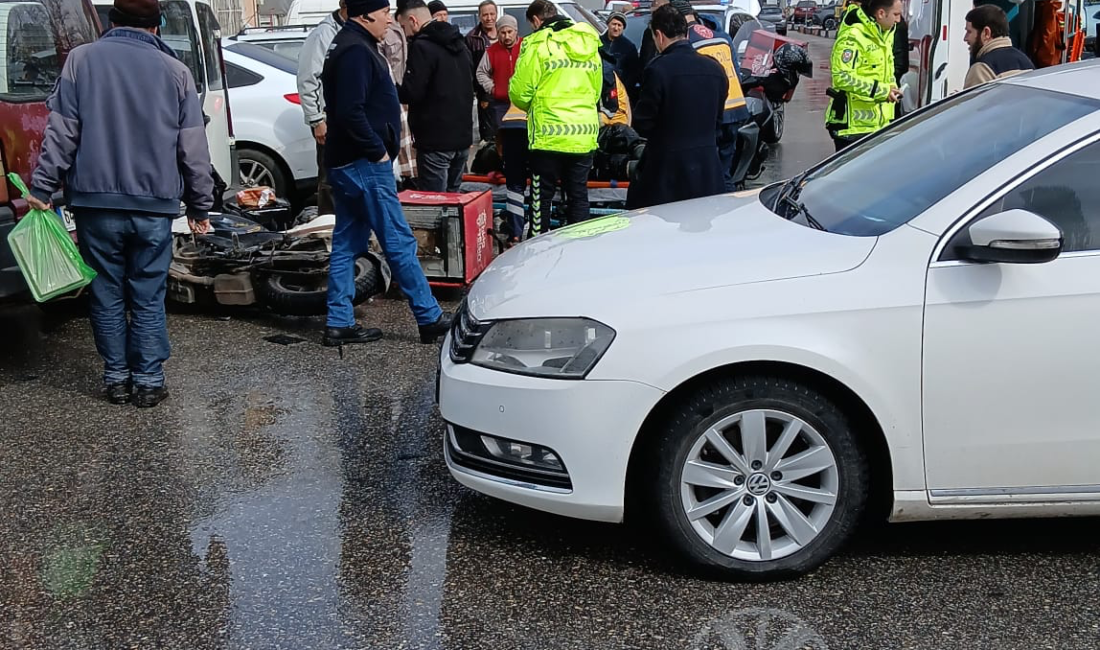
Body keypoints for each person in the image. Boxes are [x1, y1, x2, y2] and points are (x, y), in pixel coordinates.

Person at [27, 0, 213, 407]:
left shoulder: (81, 61)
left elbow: (61, 134)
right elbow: (194, 151)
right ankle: (148, 381)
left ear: (112, 22)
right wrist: (200, 206)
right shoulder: (176, 73)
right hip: (154, 208)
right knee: (147, 293)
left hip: (95, 206)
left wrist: (41, 188)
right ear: (158, 26)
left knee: (107, 291)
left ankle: (115, 378)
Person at [321, 0, 451, 346]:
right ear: (365, 15)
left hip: (348, 162)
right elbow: (350, 111)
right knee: (397, 240)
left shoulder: (352, 44)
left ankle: (339, 322)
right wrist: (377, 150)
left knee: (347, 242)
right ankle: (430, 317)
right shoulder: (355, 51)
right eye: (384, 15)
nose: (389, 21)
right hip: (363, 164)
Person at [510, 0, 602, 234]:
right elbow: (596, 91)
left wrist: (537, 104)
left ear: (536, 21)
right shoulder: (588, 43)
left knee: (542, 198)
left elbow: (520, 93)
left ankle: (539, 249)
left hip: (548, 137)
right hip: (583, 135)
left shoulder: (538, 44)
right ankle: (579, 245)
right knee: (578, 194)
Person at [626, 5, 726, 210]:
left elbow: (644, 123)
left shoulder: (658, 69)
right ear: (686, 33)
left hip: (665, 175)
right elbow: (718, 120)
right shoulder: (714, 68)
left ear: (659, 36)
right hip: (708, 172)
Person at [397, 0, 474, 192]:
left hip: (435, 139)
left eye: (403, 26)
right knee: (454, 199)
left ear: (413, 20)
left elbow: (412, 92)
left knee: (435, 203)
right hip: (462, 137)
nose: (404, 33)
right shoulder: (461, 43)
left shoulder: (422, 46)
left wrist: (389, 86)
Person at [674, 0, 748, 192]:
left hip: (712, 114)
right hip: (736, 110)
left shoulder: (686, 43)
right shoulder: (721, 37)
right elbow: (736, 74)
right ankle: (727, 213)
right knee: (724, 173)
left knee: (707, 177)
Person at [825, 0, 903, 151]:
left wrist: (891, 87)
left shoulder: (884, 34)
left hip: (877, 126)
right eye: (896, 14)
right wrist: (882, 91)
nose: (898, 20)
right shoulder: (853, 36)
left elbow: (885, 72)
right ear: (881, 13)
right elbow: (841, 77)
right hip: (852, 129)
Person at [297, 0, 347, 215]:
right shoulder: (324, 34)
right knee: (330, 177)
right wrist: (317, 120)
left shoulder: (354, 31)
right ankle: (330, 230)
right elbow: (308, 78)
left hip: (348, 116)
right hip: (328, 118)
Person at [380, 16, 417, 186]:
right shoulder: (381, 32)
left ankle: (409, 177)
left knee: (408, 145)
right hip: (391, 96)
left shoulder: (404, 29)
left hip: (407, 95)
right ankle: (402, 178)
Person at [963, 5, 1034, 88]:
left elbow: (975, 101)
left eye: (969, 32)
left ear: (986, 33)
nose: (965, 38)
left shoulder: (982, 69)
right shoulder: (1026, 62)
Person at [476, 14, 522, 135]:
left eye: (509, 32)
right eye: (503, 33)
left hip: (524, 103)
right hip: (501, 103)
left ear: (516, 31)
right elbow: (481, 72)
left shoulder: (526, 47)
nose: (507, 36)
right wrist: (492, 88)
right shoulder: (492, 51)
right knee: (503, 137)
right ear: (498, 33)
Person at [466, 0, 499, 142]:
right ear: (479, 16)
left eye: (492, 14)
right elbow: (469, 67)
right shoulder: (472, 38)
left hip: (509, 90)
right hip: (485, 92)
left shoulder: (505, 32)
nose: (489, 18)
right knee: (490, 136)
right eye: (485, 15)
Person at [601, 11, 640, 98]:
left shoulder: (629, 47)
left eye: (619, 25)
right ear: (608, 24)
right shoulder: (598, 42)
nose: (616, 28)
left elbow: (633, 73)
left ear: (623, 28)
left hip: (619, 93)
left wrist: (622, 90)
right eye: (614, 24)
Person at [1030, 0, 1065, 68]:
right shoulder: (1052, 8)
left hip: (1047, 59)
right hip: (1052, 57)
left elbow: (1047, 35)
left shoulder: (1049, 8)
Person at [638, 0, 669, 67]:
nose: (653, 16)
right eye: (652, 13)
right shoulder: (648, 32)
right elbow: (644, 57)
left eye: (656, 13)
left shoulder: (673, 30)